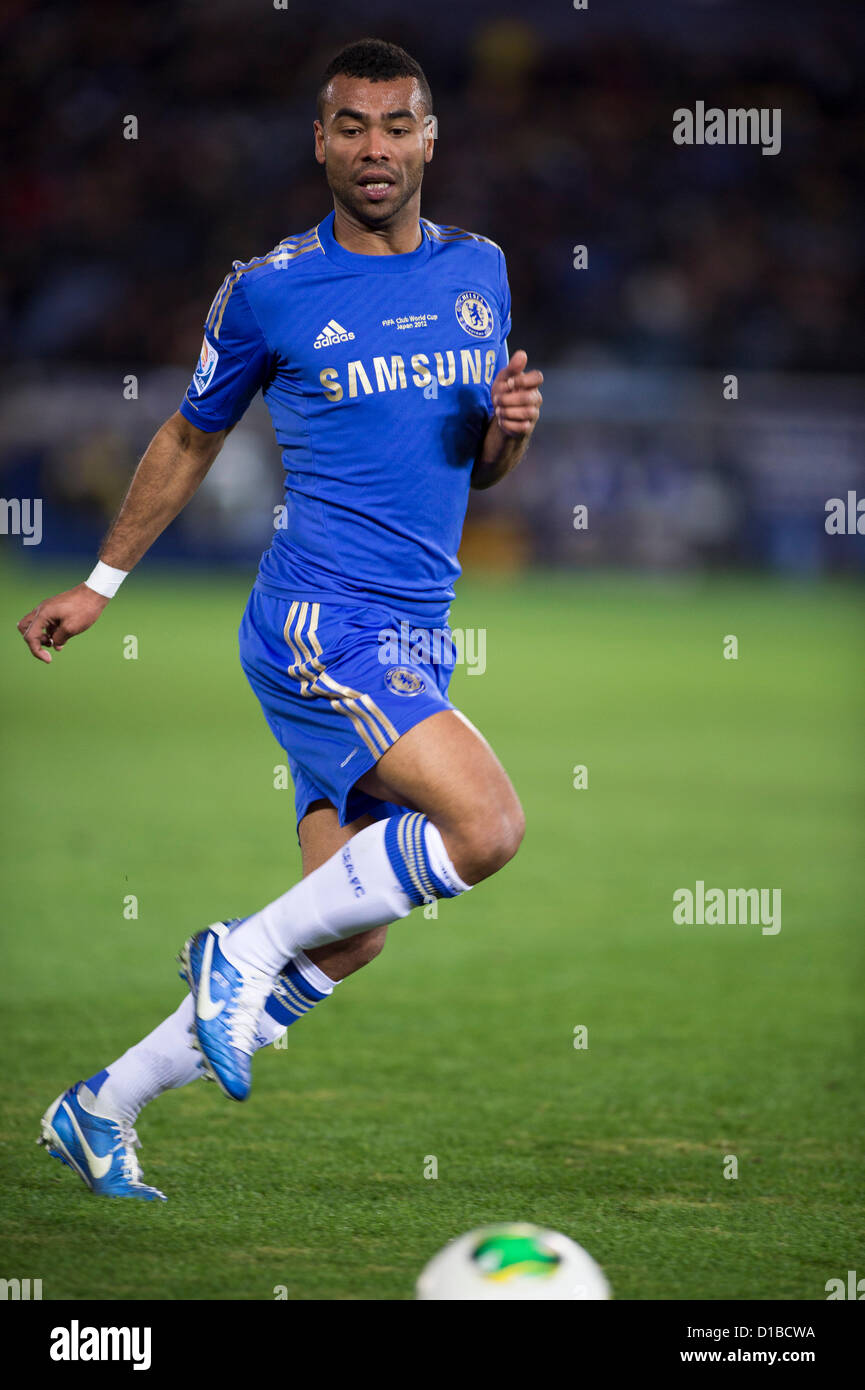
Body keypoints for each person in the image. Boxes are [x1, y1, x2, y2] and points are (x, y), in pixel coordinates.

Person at [19, 38, 543, 1201]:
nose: (373, 147)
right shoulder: (269, 288)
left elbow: (478, 473)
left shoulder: (484, 269)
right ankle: (236, 953)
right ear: (319, 140)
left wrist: (507, 427)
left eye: (395, 125)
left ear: (428, 139)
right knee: (488, 826)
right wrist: (99, 585)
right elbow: (188, 436)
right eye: (349, 126)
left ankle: (99, 1106)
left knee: (347, 929)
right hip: (323, 618)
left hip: (413, 629)